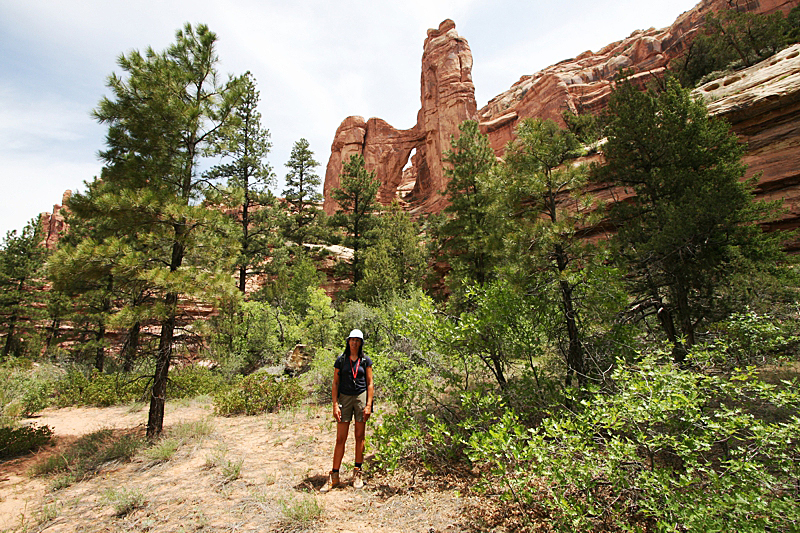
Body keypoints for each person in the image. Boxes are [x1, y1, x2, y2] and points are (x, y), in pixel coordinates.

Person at [321, 329, 374, 492]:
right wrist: (335, 404)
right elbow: (335, 383)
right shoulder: (341, 360)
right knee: (340, 438)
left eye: (358, 340)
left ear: (361, 343)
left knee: (359, 436)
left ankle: (357, 473)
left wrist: (368, 405)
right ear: (348, 341)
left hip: (360, 397)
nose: (354, 343)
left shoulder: (365, 361)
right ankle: (334, 475)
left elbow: (370, 383)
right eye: (352, 340)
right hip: (344, 398)